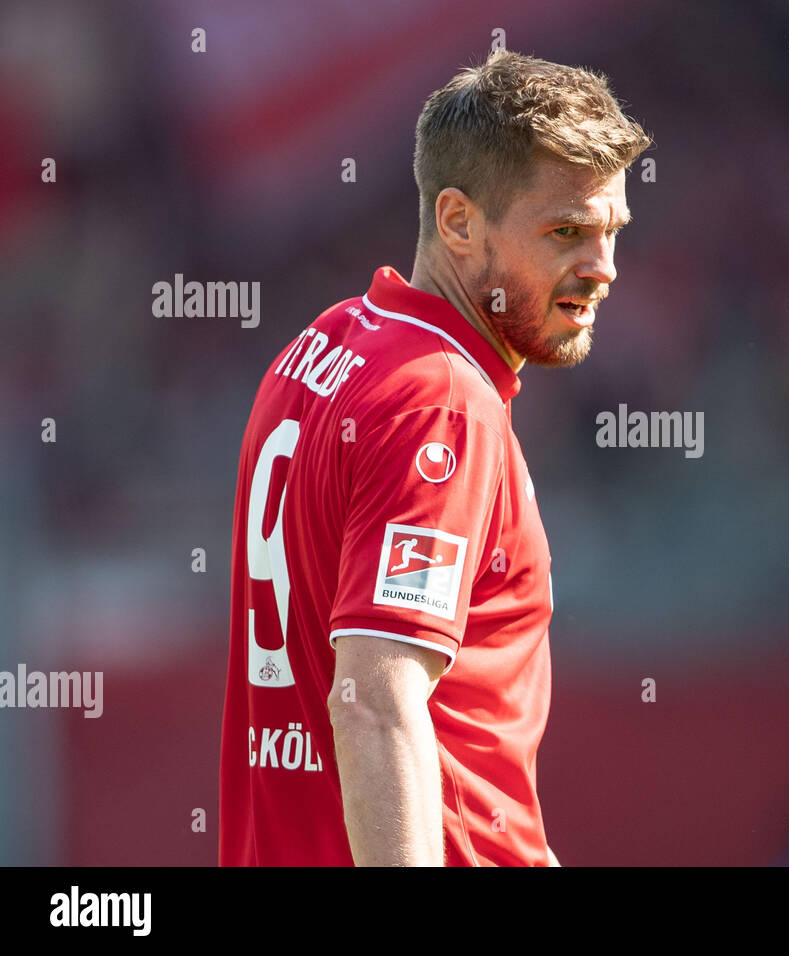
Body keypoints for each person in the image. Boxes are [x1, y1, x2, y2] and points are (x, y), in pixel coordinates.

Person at [218, 49, 651, 866]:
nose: (602, 269)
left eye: (611, 232)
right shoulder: (441, 402)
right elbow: (375, 700)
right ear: (457, 221)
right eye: (565, 232)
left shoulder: (323, 346)